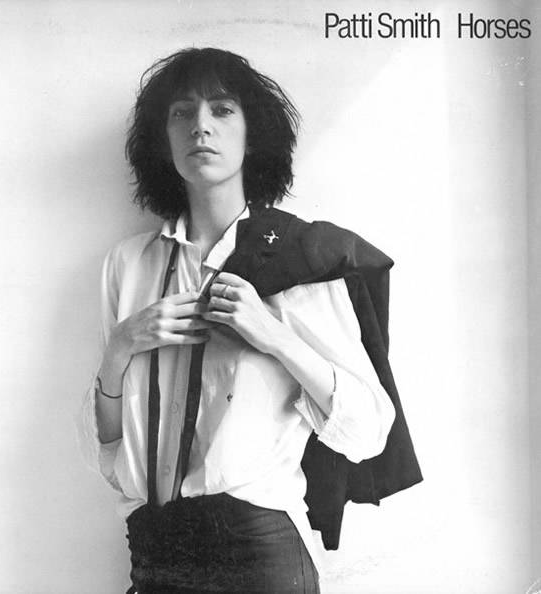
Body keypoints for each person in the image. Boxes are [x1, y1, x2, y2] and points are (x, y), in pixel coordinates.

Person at [78, 47, 421, 593]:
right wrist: (121, 347)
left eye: (222, 110)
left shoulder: (299, 258)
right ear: (161, 139)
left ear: (252, 133)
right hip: (154, 555)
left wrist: (274, 336)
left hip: (258, 558)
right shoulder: (128, 263)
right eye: (182, 113)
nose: (200, 126)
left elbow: (369, 430)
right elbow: (107, 455)